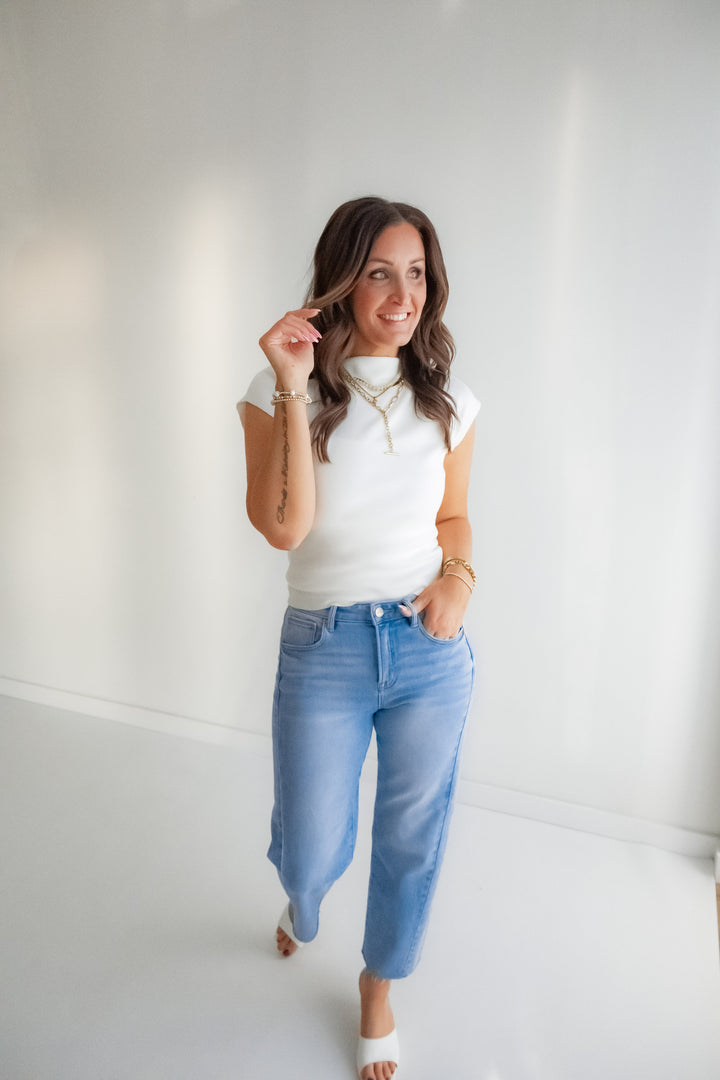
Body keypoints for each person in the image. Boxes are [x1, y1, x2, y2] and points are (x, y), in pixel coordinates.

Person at [239, 196, 479, 1080]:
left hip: (427, 650)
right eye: (380, 270)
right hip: (325, 647)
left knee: (413, 836)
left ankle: (379, 985)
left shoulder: (449, 400)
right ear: (343, 279)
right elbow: (285, 530)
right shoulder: (278, 393)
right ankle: (302, 902)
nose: (402, 293)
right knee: (309, 848)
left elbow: (454, 515)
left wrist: (459, 578)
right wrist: (294, 384)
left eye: (416, 272)